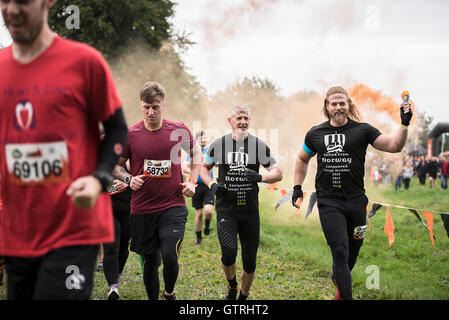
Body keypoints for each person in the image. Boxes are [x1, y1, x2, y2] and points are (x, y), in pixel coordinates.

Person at [0, 0, 128, 300]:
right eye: (5, 0)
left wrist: (98, 178)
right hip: (18, 230)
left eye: (22, 1)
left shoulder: (84, 62)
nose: (11, 10)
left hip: (73, 225)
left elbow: (118, 128)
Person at [292, 86, 413, 300]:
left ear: (348, 105)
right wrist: (297, 187)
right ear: (327, 107)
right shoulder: (315, 133)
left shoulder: (363, 130)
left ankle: (340, 280)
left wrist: (404, 124)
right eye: (334, 103)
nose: (338, 106)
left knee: (352, 252)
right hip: (329, 202)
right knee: (339, 250)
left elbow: (394, 146)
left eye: (342, 103)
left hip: (357, 203)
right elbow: (302, 158)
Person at [113, 82, 202, 300]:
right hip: (142, 209)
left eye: (155, 106)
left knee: (170, 256)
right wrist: (128, 179)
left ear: (163, 105)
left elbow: (197, 154)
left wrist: (192, 181)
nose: (151, 112)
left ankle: (169, 293)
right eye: (146, 107)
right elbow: (114, 165)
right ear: (141, 106)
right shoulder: (131, 134)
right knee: (151, 263)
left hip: (173, 205)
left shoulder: (177, 129)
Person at [200, 104, 283, 300]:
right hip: (226, 210)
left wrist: (260, 177)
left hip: (250, 212)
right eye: (239, 118)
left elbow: (278, 172)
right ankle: (232, 286)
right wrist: (212, 183)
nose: (243, 122)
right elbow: (204, 168)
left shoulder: (258, 146)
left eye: (246, 118)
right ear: (230, 121)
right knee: (228, 254)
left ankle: (243, 297)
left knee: (250, 262)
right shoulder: (219, 144)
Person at [183, 131, 216, 245]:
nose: (202, 140)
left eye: (204, 138)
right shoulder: (193, 152)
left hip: (208, 184)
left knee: (209, 210)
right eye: (200, 138)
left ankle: (207, 225)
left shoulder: (211, 151)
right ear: (196, 140)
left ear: (207, 139)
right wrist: (195, 172)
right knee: (199, 213)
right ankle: (198, 238)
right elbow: (184, 167)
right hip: (196, 185)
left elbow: (218, 164)